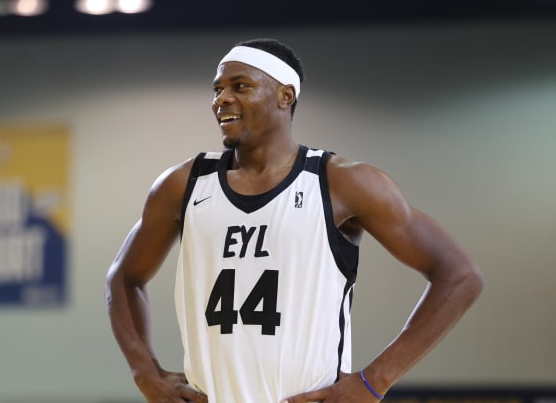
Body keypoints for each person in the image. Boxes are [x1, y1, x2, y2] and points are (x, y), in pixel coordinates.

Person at [105, 37, 483, 403]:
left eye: (240, 86)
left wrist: (374, 381)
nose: (222, 99)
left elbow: (459, 275)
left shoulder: (342, 182)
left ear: (286, 96)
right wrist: (146, 373)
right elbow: (124, 277)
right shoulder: (182, 184)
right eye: (217, 89)